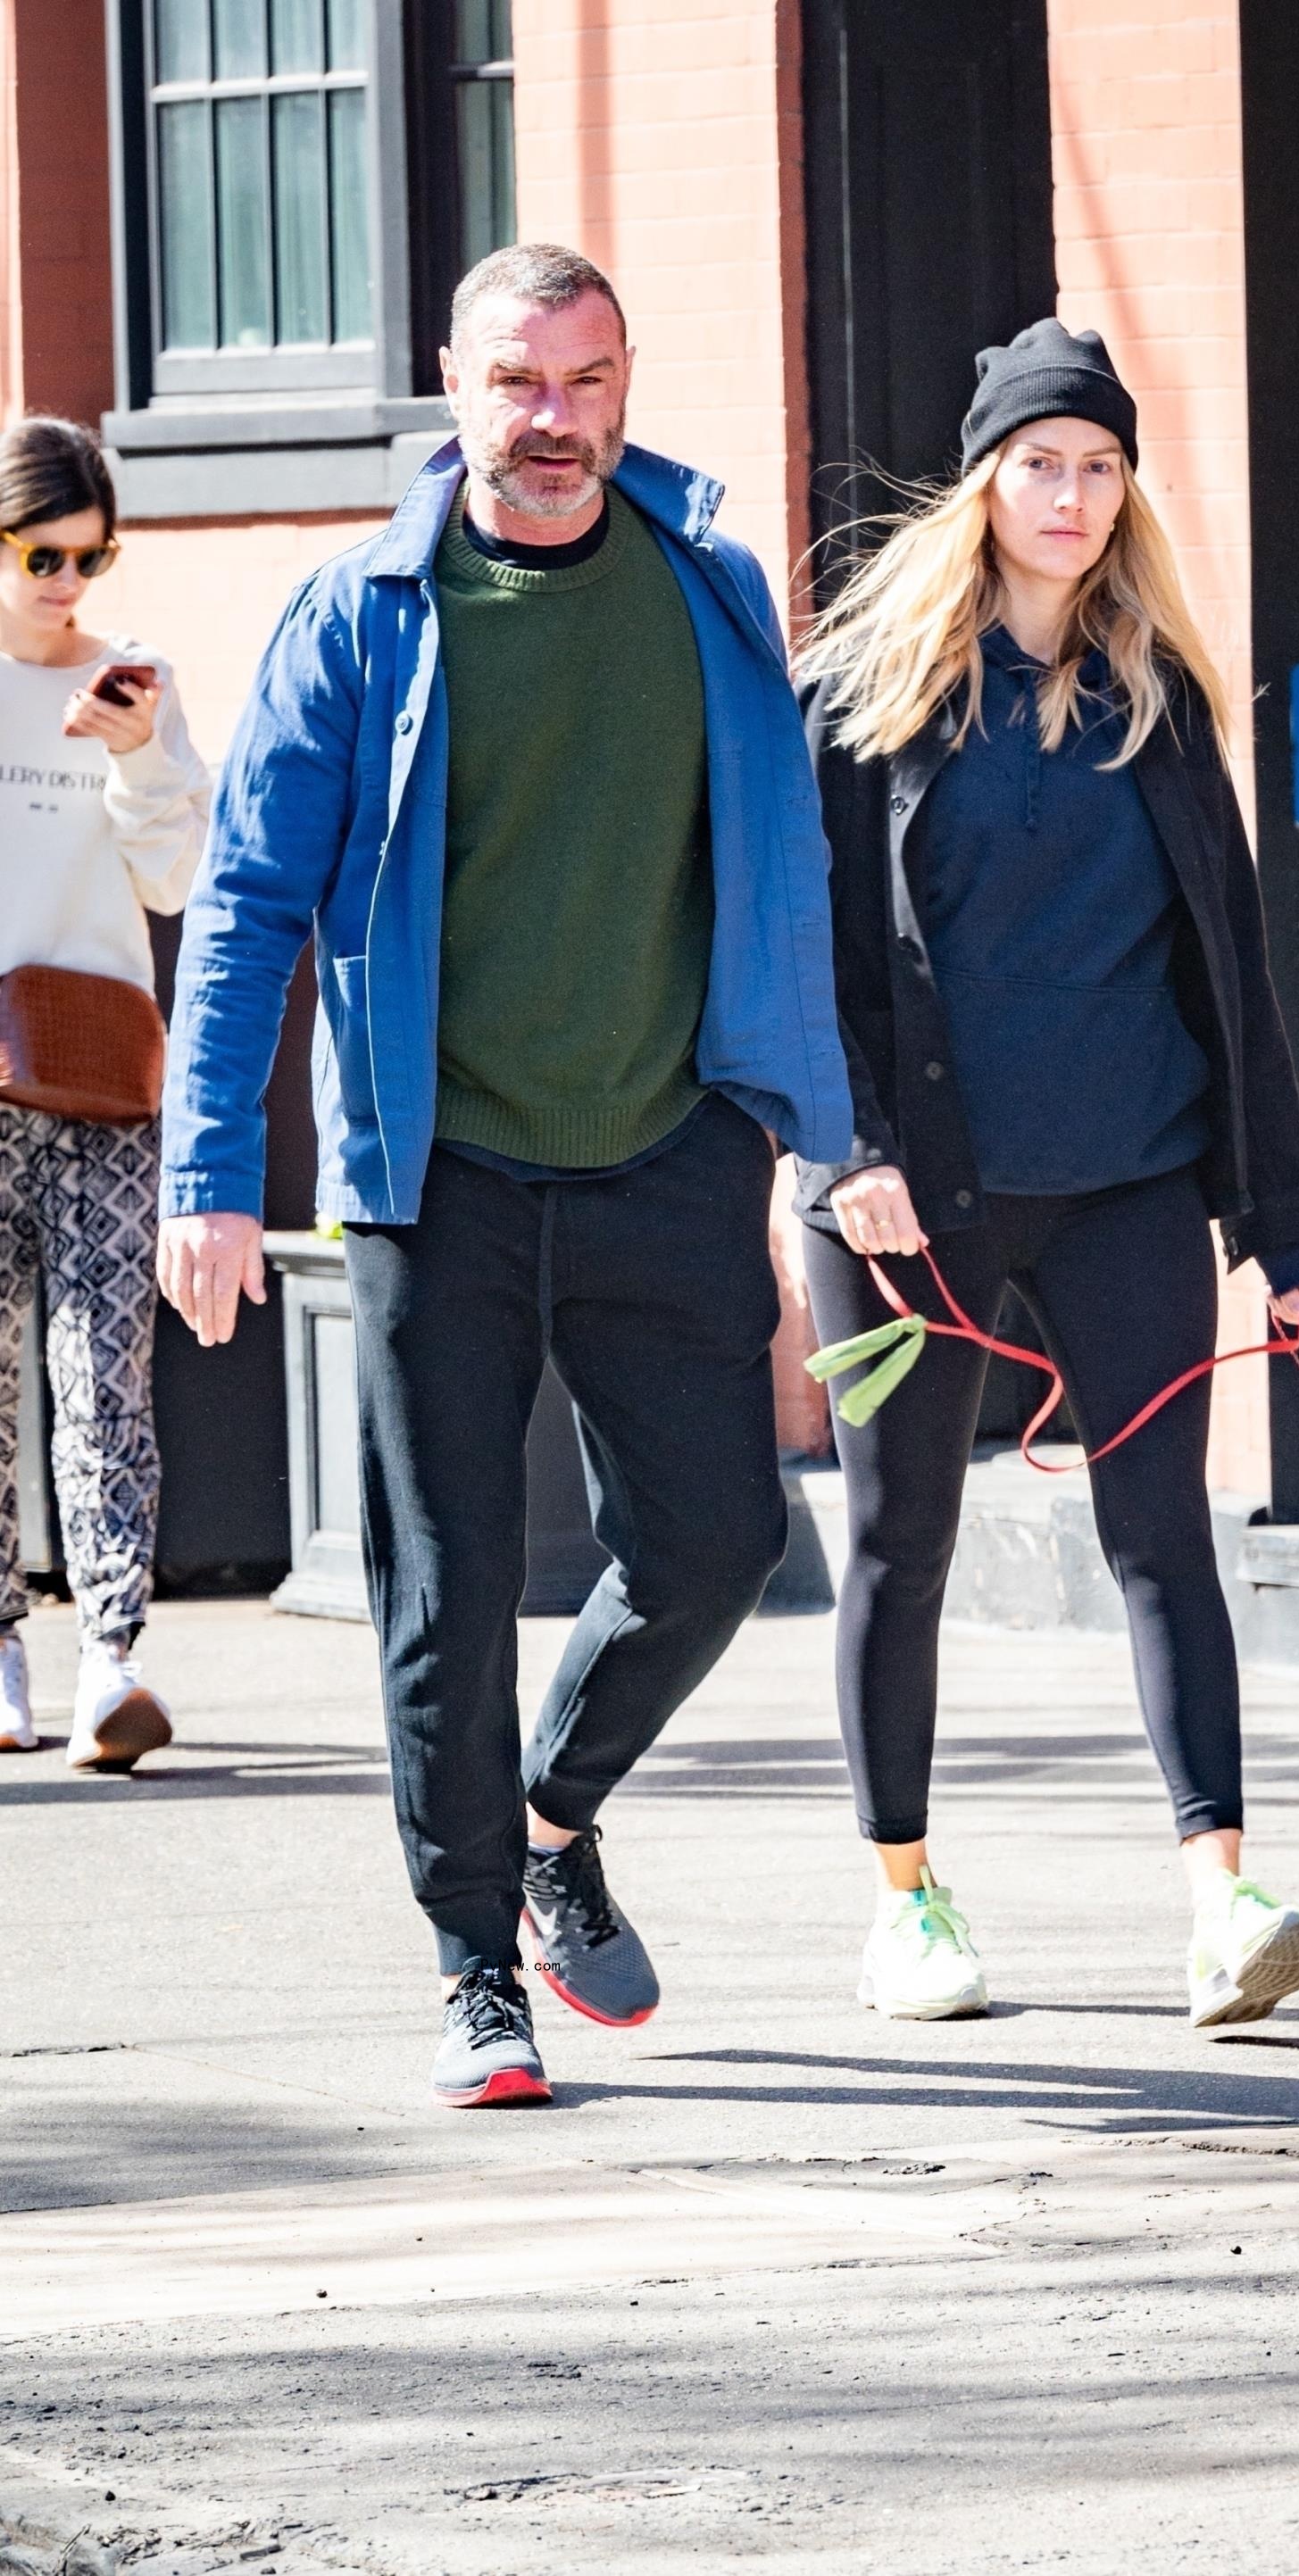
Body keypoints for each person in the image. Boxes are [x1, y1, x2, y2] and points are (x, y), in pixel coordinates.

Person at [156, 245, 850, 2109]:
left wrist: (818, 1138)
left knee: (720, 1542)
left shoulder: (708, 591)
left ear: (628, 384)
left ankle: (553, 1817)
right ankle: (476, 1965)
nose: (557, 422)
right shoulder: (363, 612)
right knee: (447, 1594)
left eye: (589, 380)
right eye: (520, 384)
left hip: (663, 1150)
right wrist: (208, 1166)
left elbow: (779, 884)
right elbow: (243, 911)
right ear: (451, 388)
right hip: (436, 1171)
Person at [793, 320, 1299, 2030]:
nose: (1074, 496)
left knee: (1165, 1533)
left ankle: (1221, 1896)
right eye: (1043, 462)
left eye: (1102, 467)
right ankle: (907, 1897)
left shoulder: (1160, 703)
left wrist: (1280, 1216)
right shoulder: (864, 700)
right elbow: (799, 958)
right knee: (905, 1540)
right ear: (984, 479)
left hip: (1130, 1178)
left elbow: (1229, 974)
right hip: (907, 1196)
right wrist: (846, 1149)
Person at [0, 417, 208, 1771]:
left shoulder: (142, 682)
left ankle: (111, 1656)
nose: (71, 580)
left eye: (93, 554)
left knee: (102, 1370)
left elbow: (178, 880)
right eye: (43, 553)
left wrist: (135, 754)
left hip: (102, 1066)